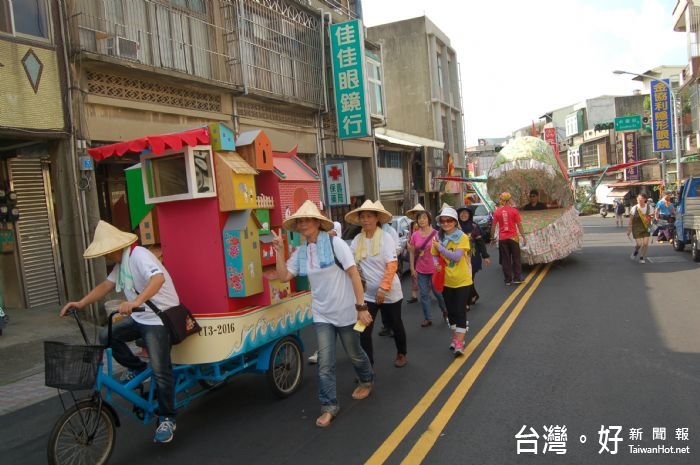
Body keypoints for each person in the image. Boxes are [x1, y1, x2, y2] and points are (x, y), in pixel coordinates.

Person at [59, 220, 180, 443]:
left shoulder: (139, 256)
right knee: (107, 335)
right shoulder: (121, 265)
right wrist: (81, 303)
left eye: (106, 252)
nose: (105, 256)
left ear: (115, 248)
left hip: (159, 317)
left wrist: (136, 301)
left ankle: (167, 418)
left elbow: (158, 278)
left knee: (161, 370)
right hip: (140, 315)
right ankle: (136, 366)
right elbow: (105, 286)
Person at [272, 201, 373, 428]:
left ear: (318, 222)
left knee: (355, 353)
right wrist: (279, 251)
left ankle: (366, 380)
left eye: (307, 219)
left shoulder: (336, 244)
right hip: (322, 314)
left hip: (346, 311)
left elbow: (354, 275)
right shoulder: (301, 252)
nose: (302, 224)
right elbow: (284, 276)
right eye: (299, 221)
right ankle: (329, 406)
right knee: (325, 364)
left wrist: (361, 307)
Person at [346, 200, 406, 368]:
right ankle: (367, 366)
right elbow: (349, 262)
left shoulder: (386, 238)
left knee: (396, 324)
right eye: (362, 217)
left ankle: (402, 353)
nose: (365, 220)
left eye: (369, 217)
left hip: (389, 292)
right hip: (367, 294)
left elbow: (392, 265)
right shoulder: (357, 239)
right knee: (362, 329)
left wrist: (383, 288)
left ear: (376, 218)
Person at [431, 206, 473, 356]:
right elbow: (434, 254)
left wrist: (440, 248)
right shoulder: (438, 238)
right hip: (446, 281)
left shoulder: (462, 237)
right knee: (451, 312)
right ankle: (456, 338)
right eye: (443, 220)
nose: (446, 223)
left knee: (460, 311)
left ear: (455, 222)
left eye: (449, 220)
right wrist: (436, 262)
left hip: (462, 280)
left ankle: (460, 343)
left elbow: (456, 257)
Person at [406, 203, 447, 327]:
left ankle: (445, 310)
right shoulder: (415, 235)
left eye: (424, 218)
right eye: (419, 218)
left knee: (438, 293)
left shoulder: (437, 234)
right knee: (423, 294)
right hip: (421, 269)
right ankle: (428, 318)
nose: (422, 220)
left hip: (435, 269)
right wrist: (412, 268)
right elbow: (412, 252)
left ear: (429, 219)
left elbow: (442, 251)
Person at [308, 220, 343, 365]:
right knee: (327, 334)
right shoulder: (312, 249)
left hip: (342, 302)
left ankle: (361, 362)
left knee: (352, 339)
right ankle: (323, 353)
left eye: (333, 230)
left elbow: (353, 273)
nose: (329, 233)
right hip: (323, 306)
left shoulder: (339, 247)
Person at [456, 206, 491, 305]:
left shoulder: (474, 226)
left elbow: (480, 243)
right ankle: (474, 295)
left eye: (465, 213)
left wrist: (485, 256)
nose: (463, 215)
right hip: (459, 257)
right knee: (463, 279)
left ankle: (466, 303)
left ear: (470, 215)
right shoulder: (455, 227)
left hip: (473, 257)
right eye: (461, 213)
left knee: (469, 279)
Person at [492, 192, 527, 285]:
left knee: (505, 260)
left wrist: (492, 238)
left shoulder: (497, 212)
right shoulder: (514, 211)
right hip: (513, 238)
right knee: (516, 259)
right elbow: (519, 225)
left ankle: (508, 280)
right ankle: (517, 278)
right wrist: (523, 237)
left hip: (503, 239)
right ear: (508, 200)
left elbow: (493, 226)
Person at [628, 193, 654, 263]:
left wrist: (649, 219)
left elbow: (652, 216)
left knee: (645, 244)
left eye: (641, 199)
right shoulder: (634, 208)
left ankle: (642, 257)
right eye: (638, 199)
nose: (639, 200)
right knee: (639, 244)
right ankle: (635, 251)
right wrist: (629, 229)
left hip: (646, 227)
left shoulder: (649, 207)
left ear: (645, 199)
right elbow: (631, 219)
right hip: (636, 228)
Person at [405, 220, 420, 304]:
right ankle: (414, 296)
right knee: (414, 275)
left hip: (423, 256)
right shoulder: (411, 226)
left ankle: (427, 294)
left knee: (427, 278)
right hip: (414, 256)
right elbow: (409, 240)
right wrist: (408, 244)